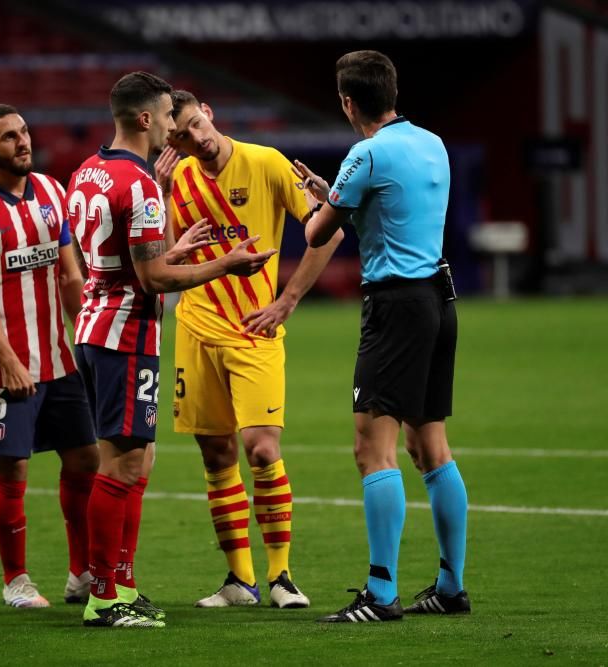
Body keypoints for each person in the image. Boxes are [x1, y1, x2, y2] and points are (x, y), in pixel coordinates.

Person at [67, 71, 276, 628]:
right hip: (125, 336)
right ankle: (105, 595)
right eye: (165, 118)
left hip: (92, 327)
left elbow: (124, 257)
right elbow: (155, 279)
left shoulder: (88, 170)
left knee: (137, 461)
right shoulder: (139, 182)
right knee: (123, 463)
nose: (171, 129)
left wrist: (174, 248)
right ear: (144, 119)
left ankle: (122, 583)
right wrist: (226, 263)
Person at [296, 51, 470, 622]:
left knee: (373, 449)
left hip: (394, 307)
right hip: (439, 300)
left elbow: (319, 231)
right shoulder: (433, 142)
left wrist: (316, 200)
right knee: (430, 445)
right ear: (391, 91)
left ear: (348, 102)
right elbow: (396, 208)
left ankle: (381, 592)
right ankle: (450, 586)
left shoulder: (364, 154)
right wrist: (340, 192)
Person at [161, 90, 343, 609]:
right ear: (170, 141)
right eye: (183, 134)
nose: (197, 137)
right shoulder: (175, 181)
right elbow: (162, 260)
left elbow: (324, 233)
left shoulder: (264, 162)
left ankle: (282, 575)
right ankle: (239, 581)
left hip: (254, 330)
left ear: (210, 113)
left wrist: (287, 299)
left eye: (198, 123)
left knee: (262, 449)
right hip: (195, 329)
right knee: (216, 455)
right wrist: (157, 188)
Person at [0, 104, 99, 608]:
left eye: (25, 131)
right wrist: (9, 359)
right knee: (11, 471)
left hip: (61, 358)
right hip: (4, 366)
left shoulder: (53, 193)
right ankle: (16, 580)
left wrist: (88, 334)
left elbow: (70, 272)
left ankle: (81, 573)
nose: (23, 142)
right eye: (9, 137)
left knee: (85, 458)